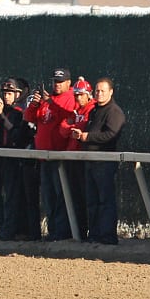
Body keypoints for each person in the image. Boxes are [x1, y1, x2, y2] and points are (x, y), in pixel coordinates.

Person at [70, 77, 125, 245]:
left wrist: (88, 137)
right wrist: (81, 136)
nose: (99, 94)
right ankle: (94, 234)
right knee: (92, 201)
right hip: (90, 161)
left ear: (111, 92)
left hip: (104, 162)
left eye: (102, 91)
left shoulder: (114, 111)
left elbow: (111, 135)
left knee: (105, 201)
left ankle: (107, 236)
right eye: (97, 91)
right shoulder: (94, 110)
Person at [24, 67, 76, 241]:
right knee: (49, 196)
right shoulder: (49, 99)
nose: (57, 85)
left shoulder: (69, 98)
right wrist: (35, 104)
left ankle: (62, 232)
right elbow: (29, 118)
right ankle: (54, 231)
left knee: (61, 195)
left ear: (69, 83)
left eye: (60, 82)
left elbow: (68, 115)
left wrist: (50, 102)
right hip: (44, 156)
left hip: (60, 156)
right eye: (55, 81)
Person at [0, 79, 34, 240]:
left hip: (10, 159)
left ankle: (9, 230)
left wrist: (2, 117)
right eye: (5, 93)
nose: (6, 96)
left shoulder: (19, 113)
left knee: (11, 197)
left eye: (10, 93)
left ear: (18, 94)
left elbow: (17, 136)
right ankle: (1, 226)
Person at [57, 76, 95, 239]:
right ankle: (78, 232)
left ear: (88, 95)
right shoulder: (77, 111)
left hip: (85, 160)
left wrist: (73, 126)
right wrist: (73, 126)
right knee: (75, 198)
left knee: (88, 198)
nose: (78, 97)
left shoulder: (92, 109)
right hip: (73, 158)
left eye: (81, 94)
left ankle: (89, 232)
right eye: (76, 95)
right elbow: (63, 130)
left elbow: (78, 128)